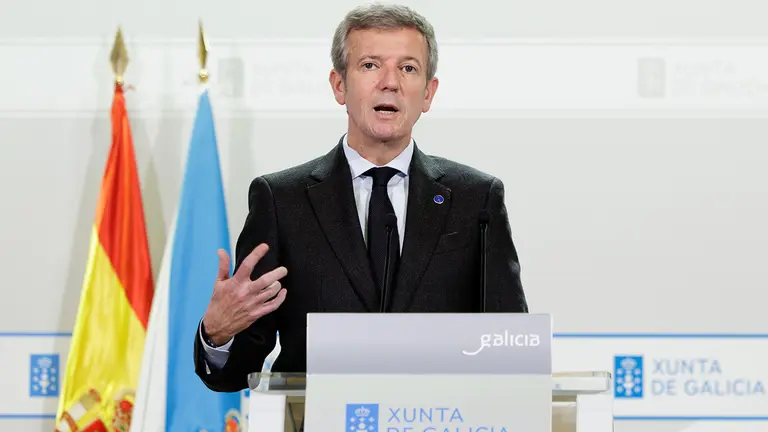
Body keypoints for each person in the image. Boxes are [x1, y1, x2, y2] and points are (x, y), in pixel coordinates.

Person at [194, 3, 528, 393]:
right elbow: (237, 371)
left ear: (428, 93)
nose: (390, 82)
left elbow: (511, 348)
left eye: (408, 68)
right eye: (370, 65)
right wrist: (217, 333)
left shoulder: (476, 200)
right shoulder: (282, 200)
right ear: (340, 85)